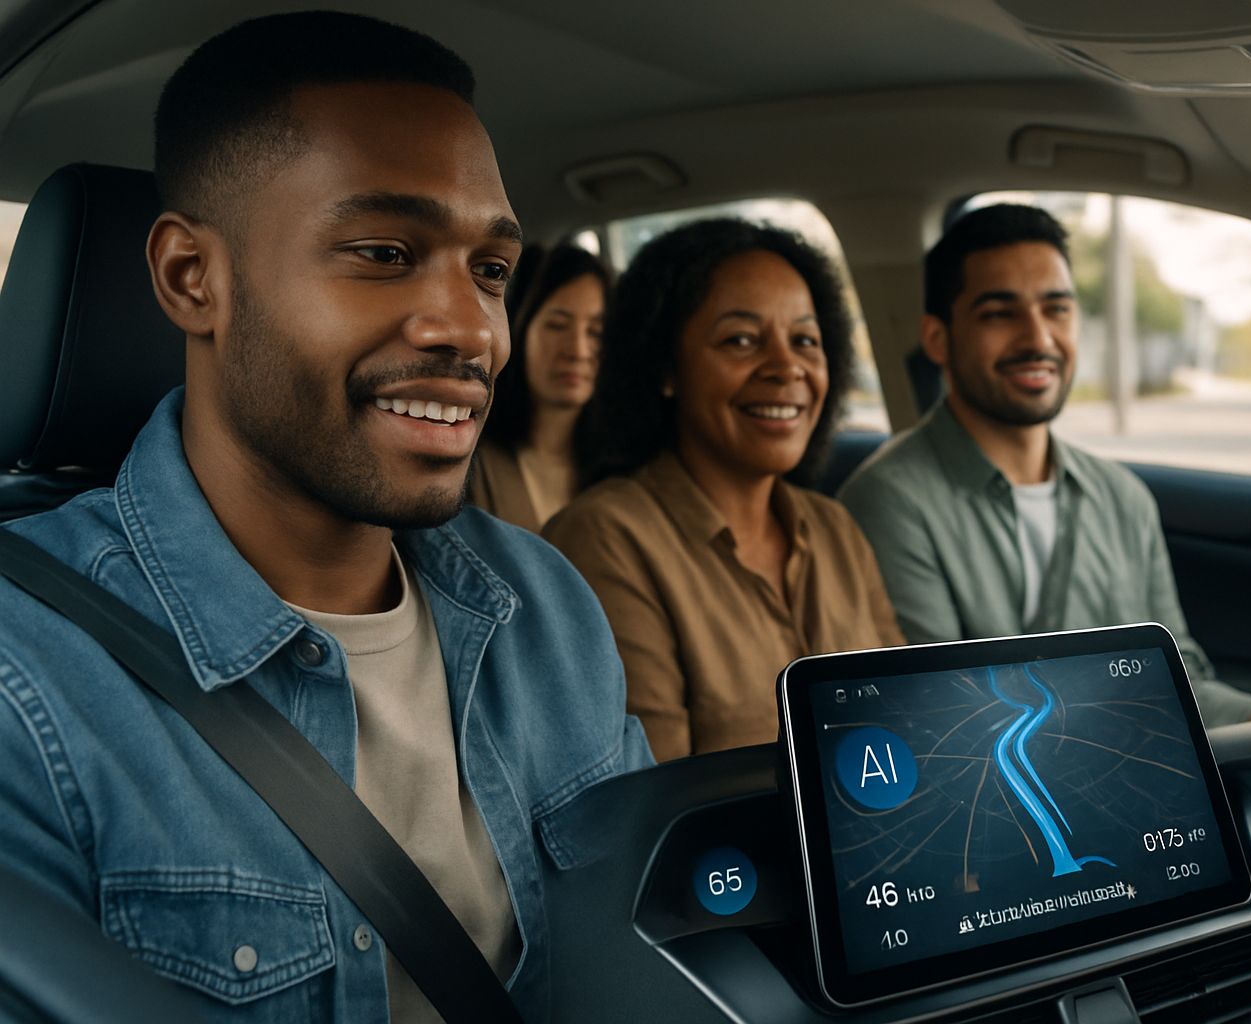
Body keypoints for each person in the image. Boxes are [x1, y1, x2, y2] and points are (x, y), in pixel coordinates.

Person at [0, 13, 651, 1023]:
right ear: (190, 278)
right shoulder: (24, 684)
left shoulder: (544, 606)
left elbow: (642, 960)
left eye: (490, 270)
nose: (469, 329)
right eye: (384, 251)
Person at [838, 204, 1251, 726]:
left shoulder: (1122, 497)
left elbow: (1175, 675)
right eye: (999, 313)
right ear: (938, 338)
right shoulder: (888, 502)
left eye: (1056, 309)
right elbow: (946, 713)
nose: (1038, 339)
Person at [543, 219, 905, 761]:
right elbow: (655, 804)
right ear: (665, 367)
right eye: (741, 340)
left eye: (805, 340)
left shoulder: (835, 527)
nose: (787, 368)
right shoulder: (605, 539)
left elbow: (910, 717)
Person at [469, 244, 607, 530]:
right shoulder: (474, 465)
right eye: (557, 326)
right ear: (518, 330)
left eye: (596, 332)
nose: (578, 351)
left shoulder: (621, 467)